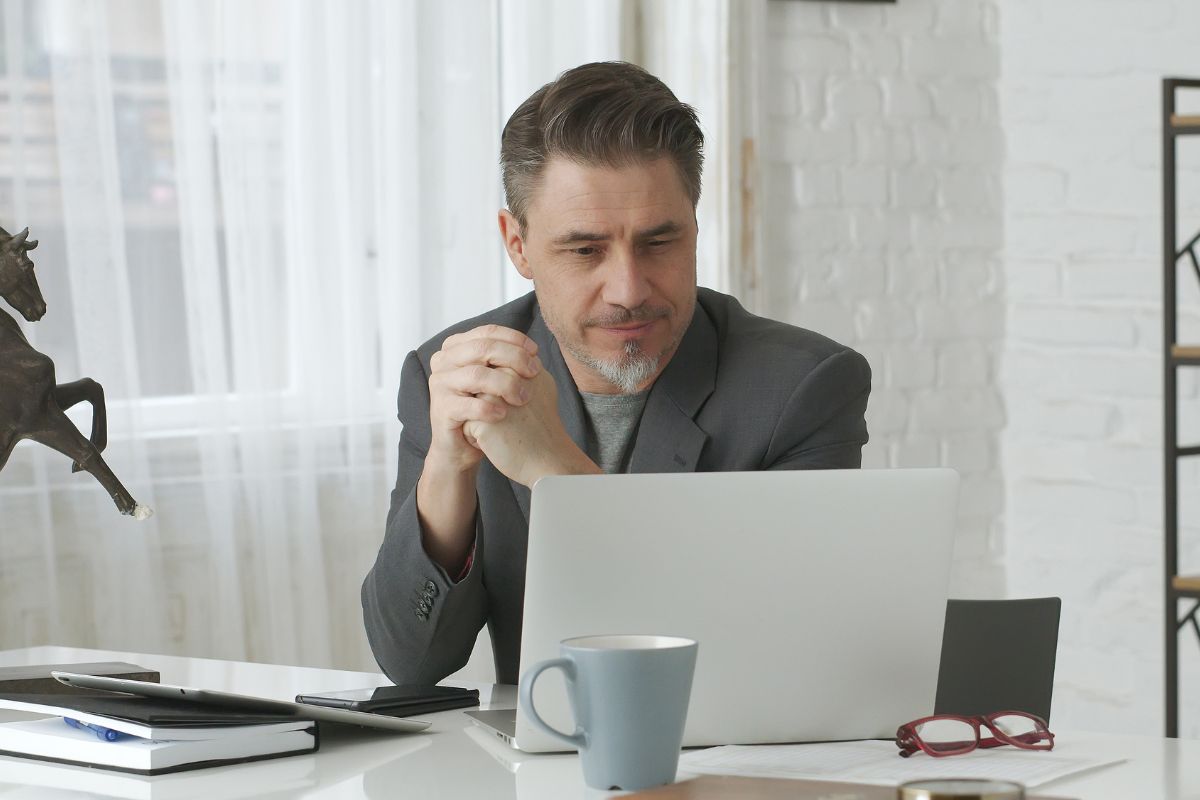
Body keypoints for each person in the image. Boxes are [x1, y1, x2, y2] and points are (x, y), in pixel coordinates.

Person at [362, 61, 871, 686]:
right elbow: (411, 662)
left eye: (659, 243)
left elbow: (779, 654)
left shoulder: (802, 388)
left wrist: (556, 472)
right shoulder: (454, 374)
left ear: (694, 226)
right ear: (517, 244)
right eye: (585, 250)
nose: (629, 290)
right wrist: (447, 467)